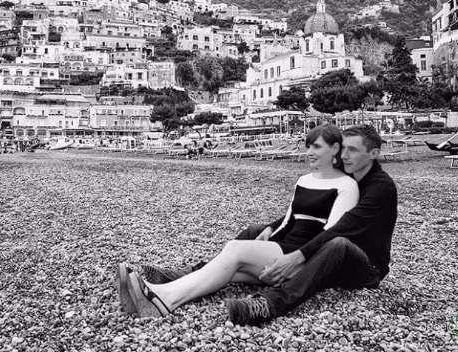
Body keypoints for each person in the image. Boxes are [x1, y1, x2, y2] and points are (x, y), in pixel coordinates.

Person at [138, 123, 397, 325]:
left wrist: (296, 257)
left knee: (337, 243)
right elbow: (308, 210)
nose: (345, 155)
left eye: (353, 150)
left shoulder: (379, 187)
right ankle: (187, 276)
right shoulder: (346, 176)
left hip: (364, 266)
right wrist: (273, 227)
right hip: (330, 255)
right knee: (253, 234)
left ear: (373, 154)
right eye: (344, 148)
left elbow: (341, 227)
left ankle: (271, 304)